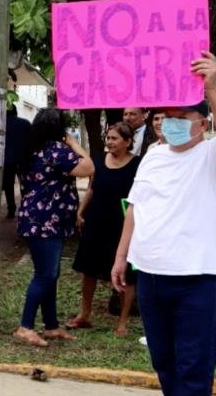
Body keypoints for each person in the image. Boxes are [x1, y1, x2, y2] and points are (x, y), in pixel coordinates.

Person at [112, 52, 216, 396]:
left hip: (200, 281)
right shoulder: (154, 156)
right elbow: (135, 208)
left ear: (202, 123)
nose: (169, 122)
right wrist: (121, 256)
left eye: (180, 116)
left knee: (193, 370)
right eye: (166, 116)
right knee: (165, 365)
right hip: (153, 278)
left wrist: (212, 86)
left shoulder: (215, 156)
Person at [13, 107, 94, 347]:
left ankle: (50, 325)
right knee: (45, 274)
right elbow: (89, 168)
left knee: (50, 274)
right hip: (48, 221)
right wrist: (73, 142)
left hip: (34, 218)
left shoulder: (30, 149)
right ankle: (25, 326)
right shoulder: (57, 150)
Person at [68, 121, 140, 335]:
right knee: (88, 270)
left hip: (122, 224)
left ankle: (122, 322)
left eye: (115, 138)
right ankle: (85, 313)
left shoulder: (137, 164)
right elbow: (92, 188)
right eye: (108, 138)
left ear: (127, 142)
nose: (110, 142)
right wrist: (81, 211)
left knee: (125, 274)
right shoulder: (99, 161)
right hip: (96, 220)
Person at [4, 106, 31, 218]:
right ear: (16, 112)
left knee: (8, 186)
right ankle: (26, 207)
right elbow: (31, 140)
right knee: (25, 184)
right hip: (23, 158)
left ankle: (11, 209)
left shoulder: (0, 124)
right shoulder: (25, 123)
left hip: (7, 159)